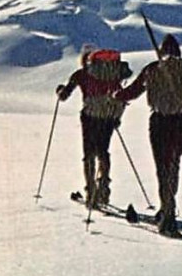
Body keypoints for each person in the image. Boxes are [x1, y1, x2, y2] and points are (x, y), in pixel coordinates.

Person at [118, 34, 182, 237]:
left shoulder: (152, 69)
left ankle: (168, 217)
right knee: (173, 163)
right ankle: (167, 207)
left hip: (160, 122)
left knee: (163, 168)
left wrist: (117, 95)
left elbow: (132, 92)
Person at [57, 48, 133, 210]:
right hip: (110, 117)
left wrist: (60, 90)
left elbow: (64, 96)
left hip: (90, 117)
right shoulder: (114, 73)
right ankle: (104, 188)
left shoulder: (81, 75)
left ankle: (91, 191)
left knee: (89, 154)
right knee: (103, 151)